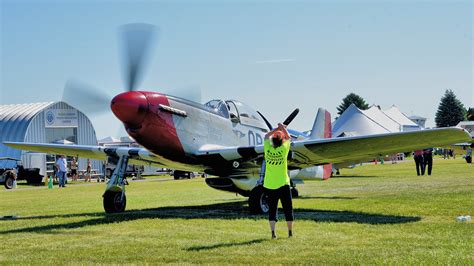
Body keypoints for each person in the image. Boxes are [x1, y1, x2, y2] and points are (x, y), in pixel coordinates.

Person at [263, 123, 293, 239]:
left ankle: (273, 233)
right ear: (281, 141)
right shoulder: (284, 149)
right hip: (283, 184)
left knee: (272, 210)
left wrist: (276, 129)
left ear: (272, 141)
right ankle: (290, 232)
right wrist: (283, 128)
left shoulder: (267, 149)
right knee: (288, 209)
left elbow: (266, 136)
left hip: (270, 184)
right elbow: (289, 138)